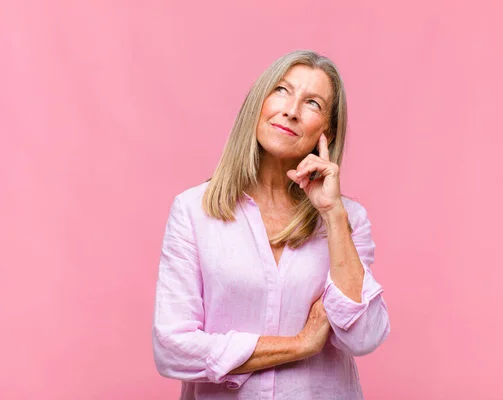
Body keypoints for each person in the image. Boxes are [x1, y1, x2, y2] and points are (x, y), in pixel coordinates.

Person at [152, 50, 390, 400]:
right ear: (258, 103)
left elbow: (364, 336)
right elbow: (172, 348)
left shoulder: (348, 218)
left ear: (327, 131)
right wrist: (300, 345)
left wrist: (333, 215)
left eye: (312, 103)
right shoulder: (194, 210)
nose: (291, 110)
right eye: (281, 90)